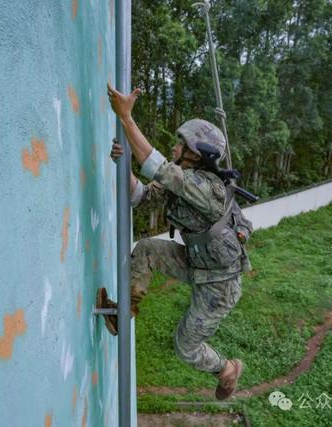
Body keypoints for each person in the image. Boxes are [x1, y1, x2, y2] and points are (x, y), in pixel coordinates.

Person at [98, 82, 253, 400]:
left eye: (180, 145)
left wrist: (127, 119)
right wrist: (125, 164)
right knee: (147, 249)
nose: (174, 148)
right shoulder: (180, 181)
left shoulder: (205, 186)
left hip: (219, 285)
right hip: (198, 263)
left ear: (196, 154)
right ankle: (123, 312)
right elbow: (139, 196)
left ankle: (226, 369)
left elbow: (157, 167)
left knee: (185, 348)